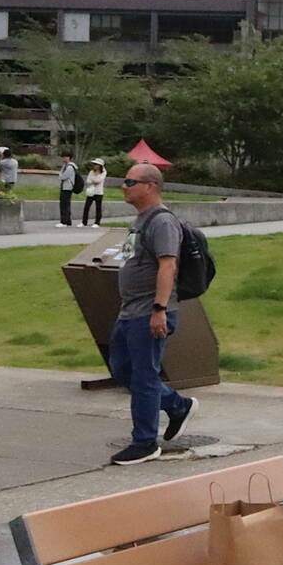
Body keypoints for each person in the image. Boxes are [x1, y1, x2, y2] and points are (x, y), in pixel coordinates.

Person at [106, 163, 197, 465]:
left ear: (150, 186)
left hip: (150, 312)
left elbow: (168, 265)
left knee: (145, 376)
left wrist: (159, 309)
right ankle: (177, 405)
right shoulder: (140, 220)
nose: (124, 186)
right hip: (130, 311)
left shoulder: (162, 222)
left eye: (130, 182)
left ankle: (145, 442)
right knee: (122, 369)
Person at [81, 159, 107, 227]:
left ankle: (97, 223)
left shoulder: (103, 172)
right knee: (86, 207)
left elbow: (99, 180)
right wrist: (93, 180)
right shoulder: (91, 172)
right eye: (94, 164)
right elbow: (88, 181)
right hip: (91, 192)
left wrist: (93, 179)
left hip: (99, 192)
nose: (95, 166)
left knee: (98, 208)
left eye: (96, 164)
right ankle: (84, 222)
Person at [56, 154, 78, 227]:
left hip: (67, 188)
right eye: (63, 157)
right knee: (65, 204)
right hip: (65, 187)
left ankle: (64, 221)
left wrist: (61, 174)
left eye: (65, 157)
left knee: (64, 205)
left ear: (69, 158)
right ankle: (67, 221)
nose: (63, 158)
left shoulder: (69, 167)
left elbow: (63, 177)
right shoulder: (65, 166)